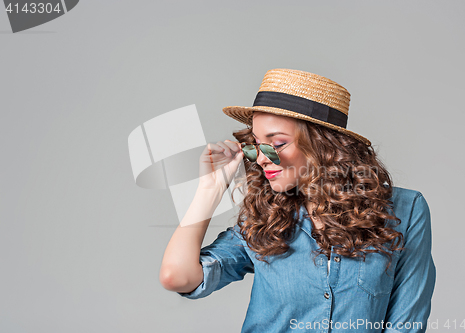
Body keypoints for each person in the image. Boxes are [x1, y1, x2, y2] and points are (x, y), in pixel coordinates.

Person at [159, 68, 436, 333]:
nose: (263, 157)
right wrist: (210, 190)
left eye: (277, 144)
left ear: (323, 144)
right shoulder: (262, 219)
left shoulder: (405, 210)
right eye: (256, 145)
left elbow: (406, 324)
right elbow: (177, 277)